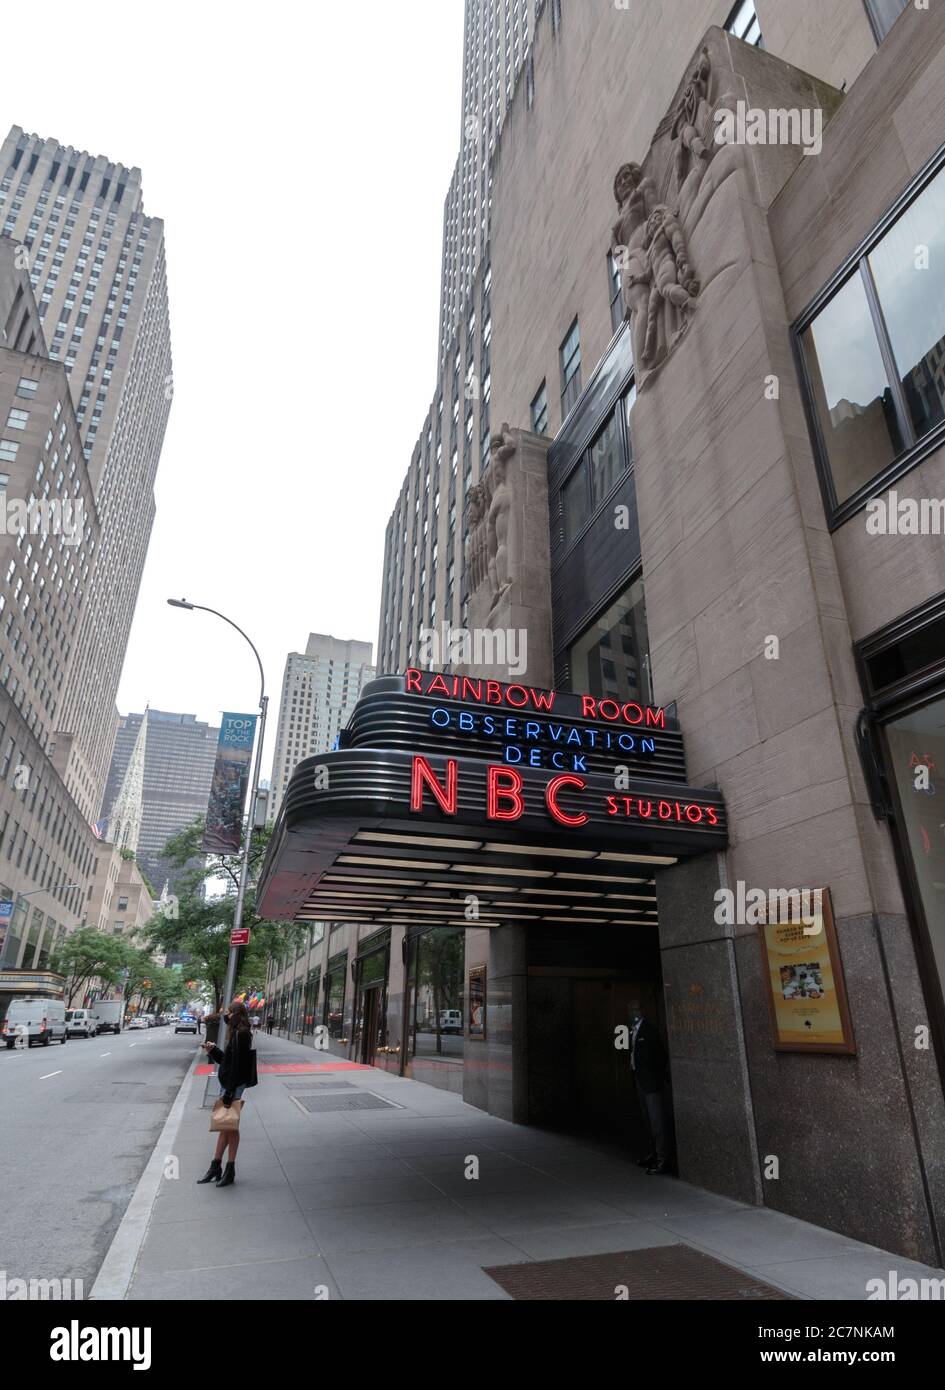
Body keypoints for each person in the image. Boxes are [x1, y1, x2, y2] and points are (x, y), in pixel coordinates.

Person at [197, 1001, 254, 1188]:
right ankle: (216, 1166)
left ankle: (229, 1169)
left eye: (228, 1012)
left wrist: (229, 1092)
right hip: (229, 1084)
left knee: (230, 1126)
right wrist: (213, 1051)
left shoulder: (242, 1034)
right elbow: (228, 1062)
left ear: (236, 1014)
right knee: (224, 1125)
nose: (226, 1016)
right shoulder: (237, 1033)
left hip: (233, 1086)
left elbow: (238, 1066)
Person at [628, 999, 671, 1176]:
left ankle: (663, 1159)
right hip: (639, 1080)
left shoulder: (650, 1030)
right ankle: (653, 1154)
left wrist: (657, 1078)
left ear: (643, 1010)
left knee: (657, 1122)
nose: (632, 1011)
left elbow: (660, 1055)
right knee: (648, 1120)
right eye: (630, 1009)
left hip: (651, 1083)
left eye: (636, 1008)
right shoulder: (632, 1030)